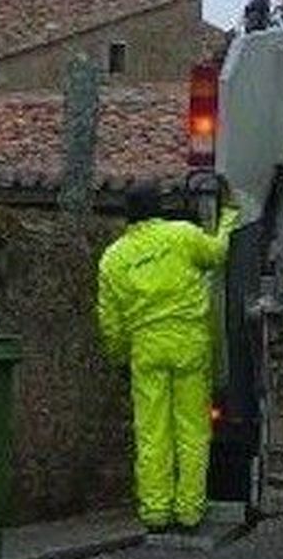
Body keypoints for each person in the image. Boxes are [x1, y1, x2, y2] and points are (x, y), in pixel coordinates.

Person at [96, 183, 236, 532]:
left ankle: (156, 511)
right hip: (189, 345)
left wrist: (119, 359)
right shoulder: (182, 236)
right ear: (160, 208)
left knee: (152, 432)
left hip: (146, 350)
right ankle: (189, 510)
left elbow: (109, 321)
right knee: (191, 430)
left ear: (128, 216)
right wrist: (229, 216)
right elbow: (217, 254)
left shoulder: (113, 257)